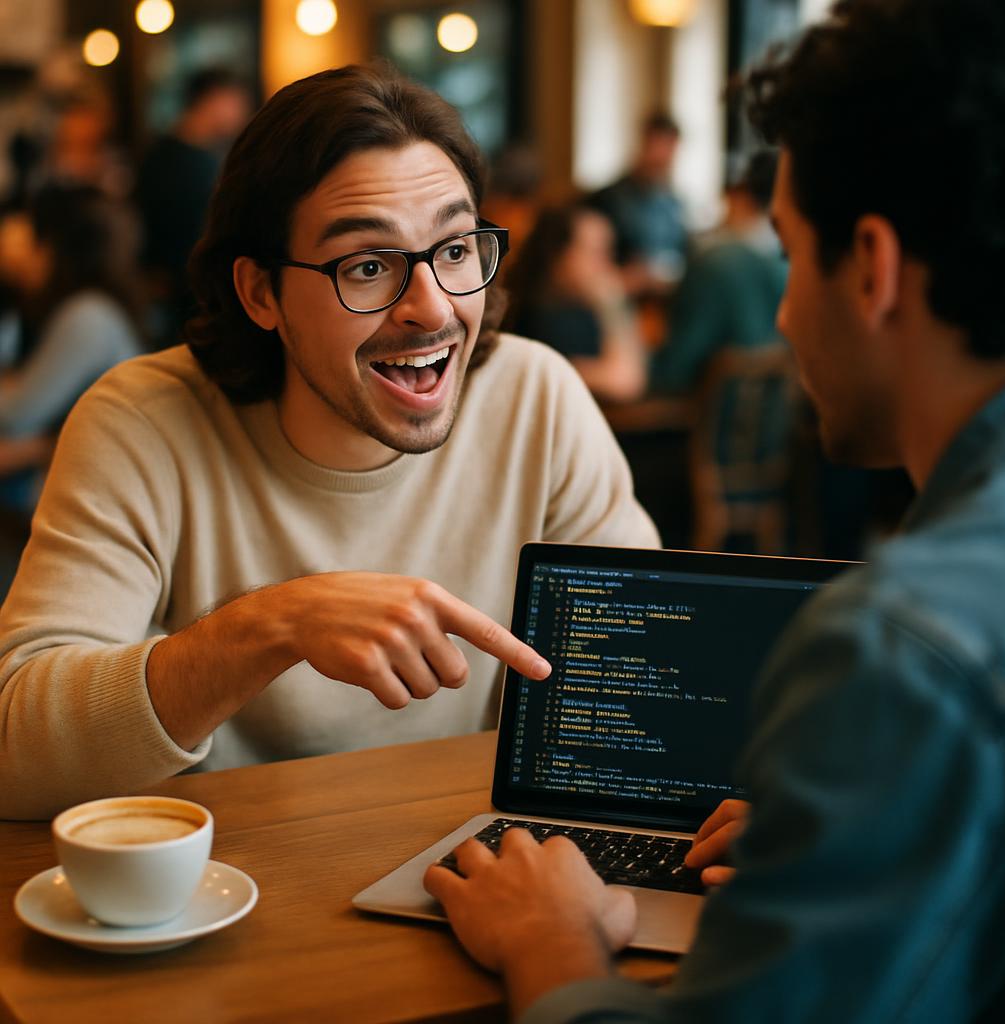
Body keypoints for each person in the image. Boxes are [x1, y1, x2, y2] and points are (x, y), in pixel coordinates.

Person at [424, 1, 1005, 1020]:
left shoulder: (899, 652)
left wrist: (549, 937)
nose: (784, 311)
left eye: (789, 255)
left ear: (871, 267)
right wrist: (842, 839)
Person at [0, 64, 658, 820]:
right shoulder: (144, 423)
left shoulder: (534, 399)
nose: (431, 308)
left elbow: (634, 691)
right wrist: (270, 626)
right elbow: (16, 752)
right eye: (368, 266)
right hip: (223, 894)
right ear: (260, 293)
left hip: (465, 879)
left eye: (453, 249)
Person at [0, 185, 144, 512]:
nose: (12, 244)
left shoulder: (88, 315)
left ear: (50, 247)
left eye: (27, 238)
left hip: (101, 491)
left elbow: (16, 414)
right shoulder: (78, 308)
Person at [650, 150, 788, 392]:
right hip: (777, 421)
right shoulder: (790, 265)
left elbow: (675, 370)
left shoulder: (714, 265)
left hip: (710, 420)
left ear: (738, 197)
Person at [135, 68, 253, 347]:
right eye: (236, 102)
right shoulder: (199, 167)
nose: (242, 113)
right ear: (213, 100)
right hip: (188, 300)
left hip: (167, 296)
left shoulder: (157, 153)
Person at [504, 204, 646, 404]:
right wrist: (613, 303)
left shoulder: (574, 309)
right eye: (596, 252)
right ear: (557, 255)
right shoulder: (543, 319)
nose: (606, 265)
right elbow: (625, 381)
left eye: (609, 253)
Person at [586, 112, 687, 297]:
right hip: (619, 294)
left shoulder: (674, 205)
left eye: (670, 148)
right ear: (644, 143)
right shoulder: (609, 199)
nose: (663, 156)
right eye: (659, 145)